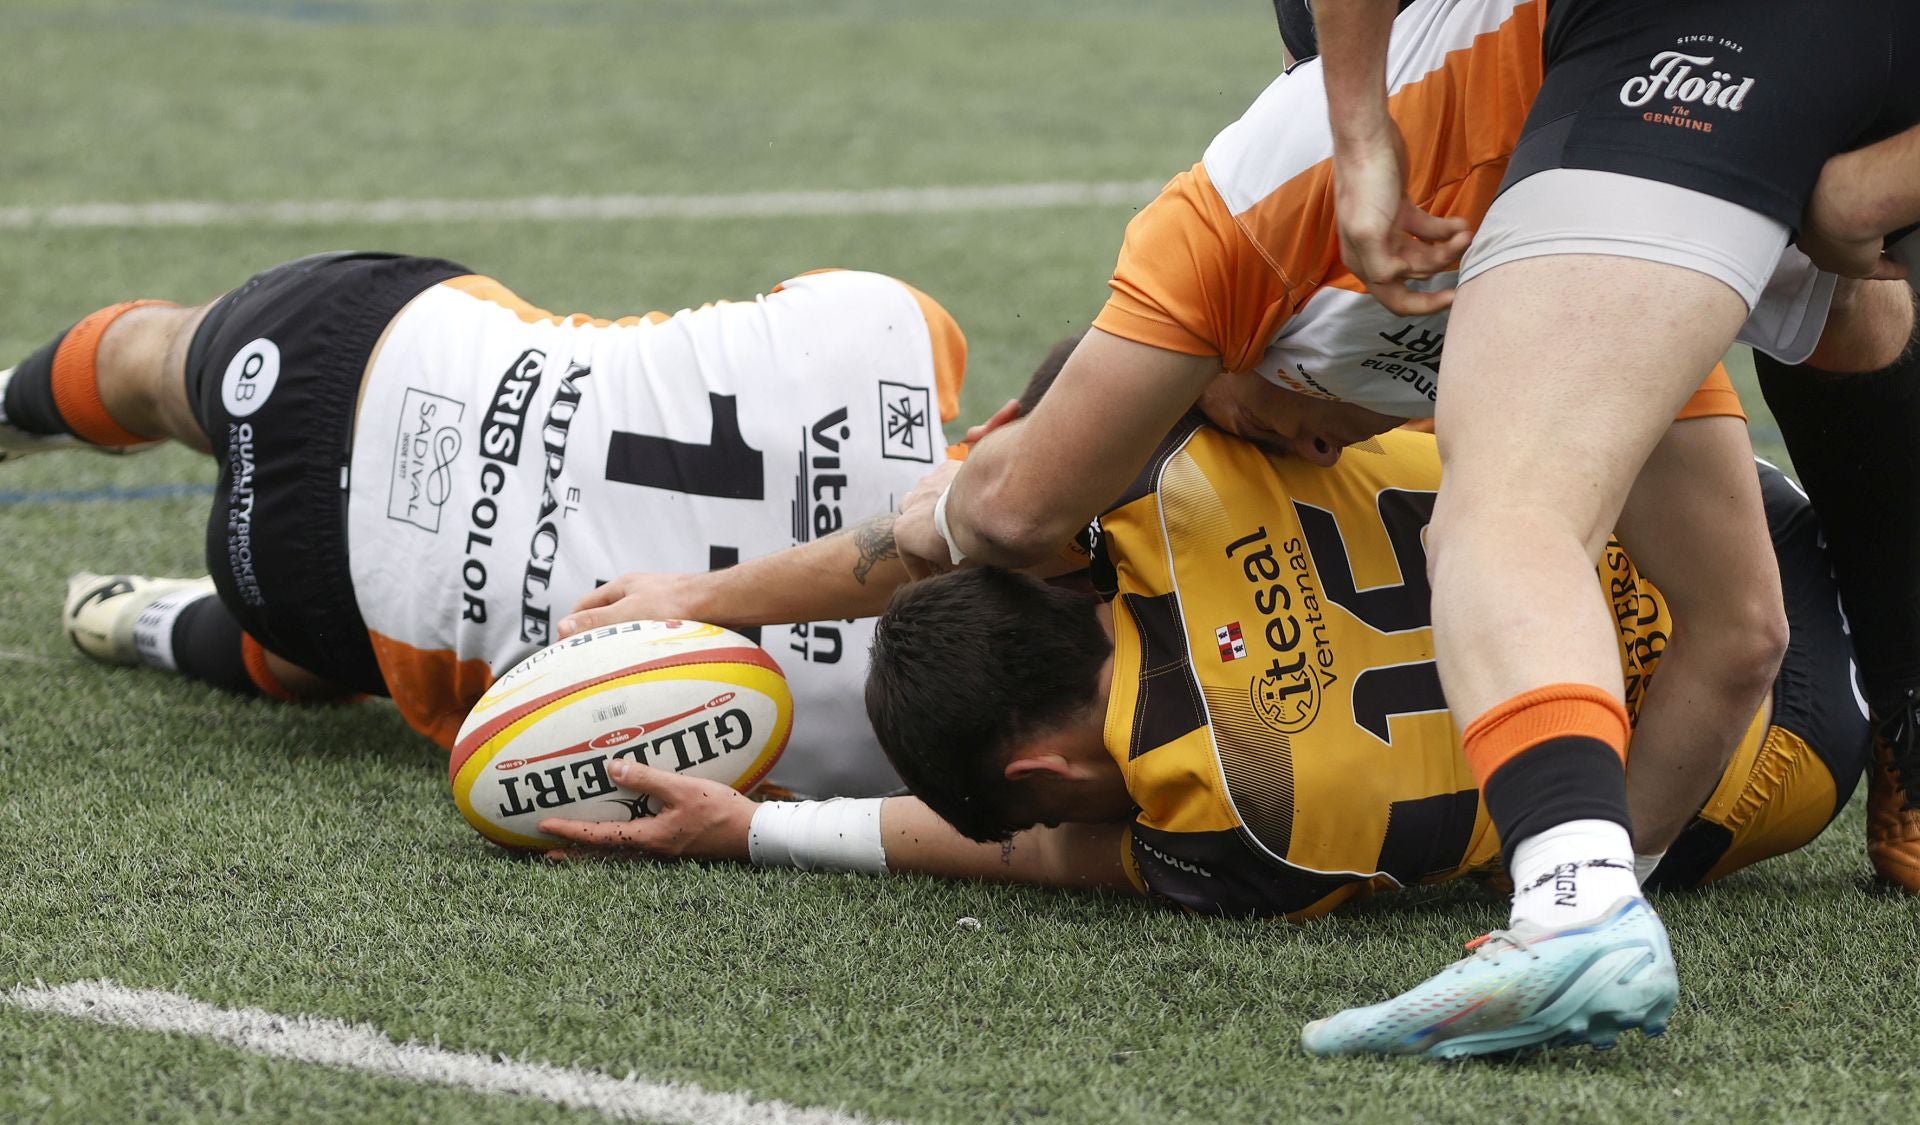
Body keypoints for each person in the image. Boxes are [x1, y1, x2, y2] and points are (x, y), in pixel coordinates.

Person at [875, 0, 1915, 1058]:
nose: (1321, 451)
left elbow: (1013, 511)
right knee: (1849, 306)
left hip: (1649, 79)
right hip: (1730, 106)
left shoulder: (1244, 224)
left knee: (1505, 511)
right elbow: (1743, 632)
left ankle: (1577, 902)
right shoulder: (1504, 222)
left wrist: (928, 521)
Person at [546, 345, 1868, 1055]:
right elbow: (943, 528)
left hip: (1791, 737)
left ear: (1051, 773)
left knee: (1575, 830)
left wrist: (760, 827)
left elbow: (1064, 857)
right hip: (1707, 494)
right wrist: (717, 597)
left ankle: (1593, 898)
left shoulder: (1230, 828)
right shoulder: (1140, 480)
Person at [1, 251, 966, 798]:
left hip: (374, 358)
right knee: (367, 656)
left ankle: (14, 409)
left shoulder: (897, 329)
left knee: (150, 357)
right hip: (322, 593)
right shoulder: (891, 756)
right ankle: (148, 624)